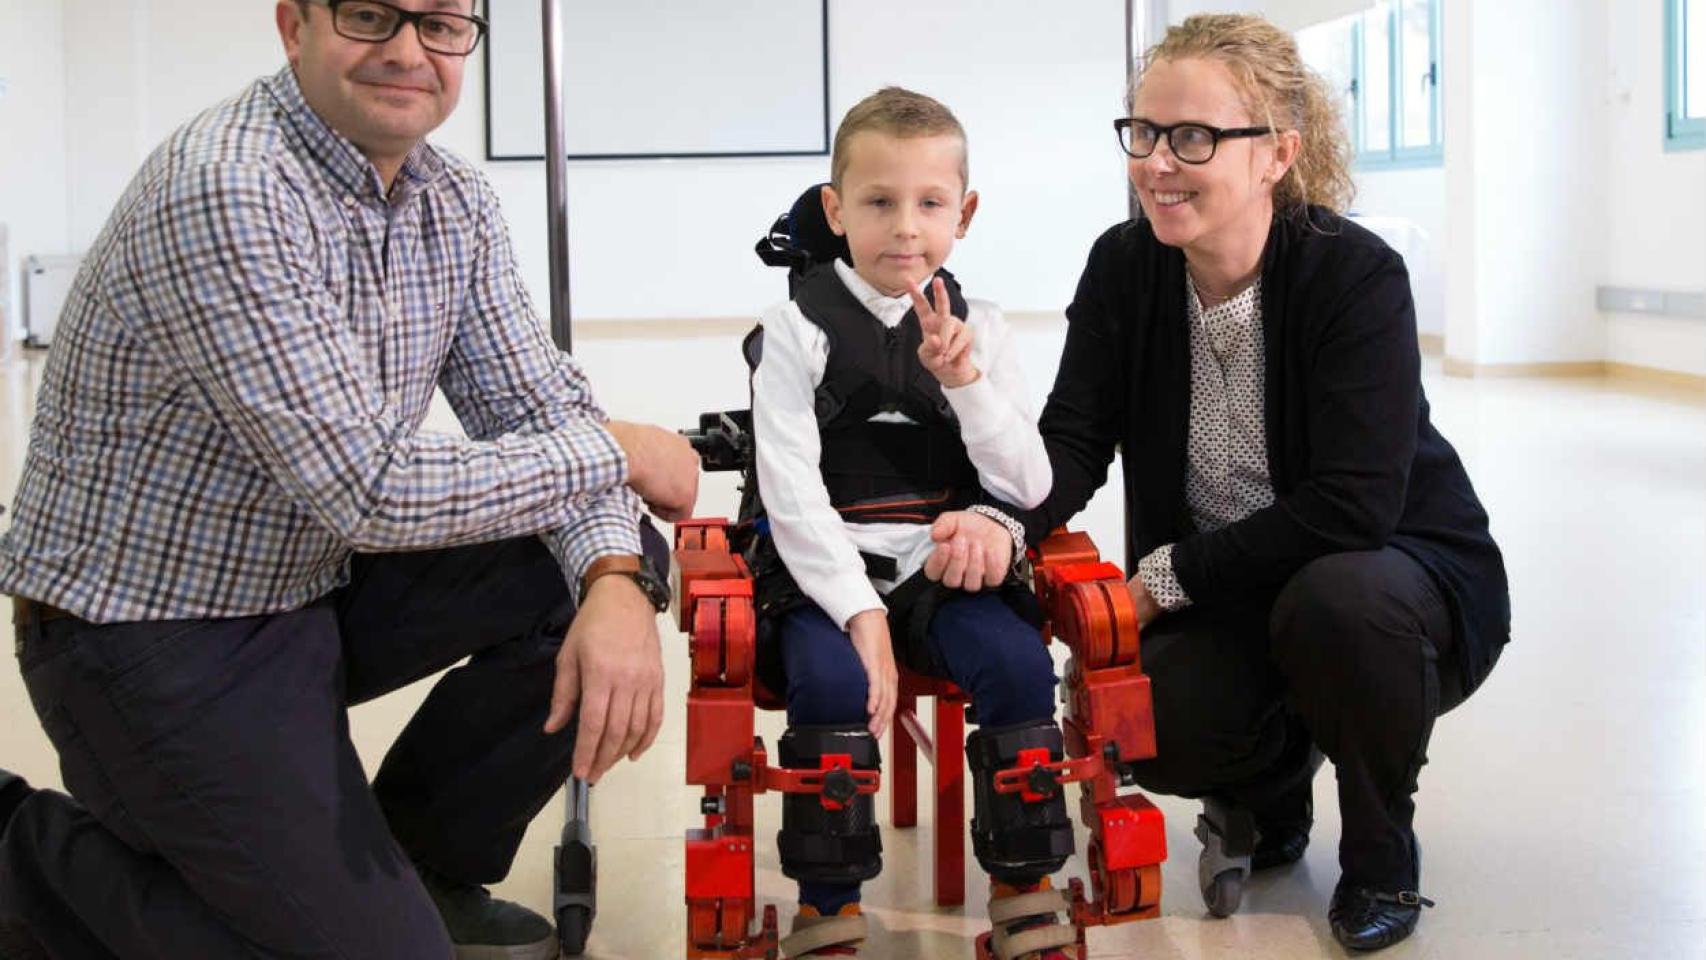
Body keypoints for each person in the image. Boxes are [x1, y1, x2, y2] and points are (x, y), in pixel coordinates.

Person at [0, 1, 699, 957]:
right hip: (147, 634)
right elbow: (371, 489)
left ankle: (420, 868)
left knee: (574, 564)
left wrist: (615, 578)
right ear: (295, 26)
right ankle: (20, 855)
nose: (409, 50)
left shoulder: (452, 200)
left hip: (309, 582)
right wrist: (620, 448)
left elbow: (537, 408)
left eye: (442, 23)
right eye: (372, 14)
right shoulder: (229, 187)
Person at [937, 14, 1511, 952]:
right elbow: (1072, 441)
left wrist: (1165, 579)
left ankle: (1381, 853)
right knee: (1151, 722)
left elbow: (1354, 506)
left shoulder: (1355, 276)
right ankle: (1271, 791)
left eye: (1194, 137)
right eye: (1144, 132)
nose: (1158, 162)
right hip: (1233, 587)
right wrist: (1000, 519)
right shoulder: (1125, 267)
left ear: (1277, 153)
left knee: (1339, 604)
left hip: (1391, 585)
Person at [748, 87, 1080, 960]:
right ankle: (828, 906)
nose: (905, 228)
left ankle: (1023, 890)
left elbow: (1028, 482)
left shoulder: (984, 328)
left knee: (1018, 664)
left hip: (940, 571)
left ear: (963, 214)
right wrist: (858, 611)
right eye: (878, 202)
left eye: (931, 203)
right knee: (830, 685)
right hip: (826, 575)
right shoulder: (792, 330)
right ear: (835, 210)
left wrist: (966, 382)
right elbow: (789, 491)